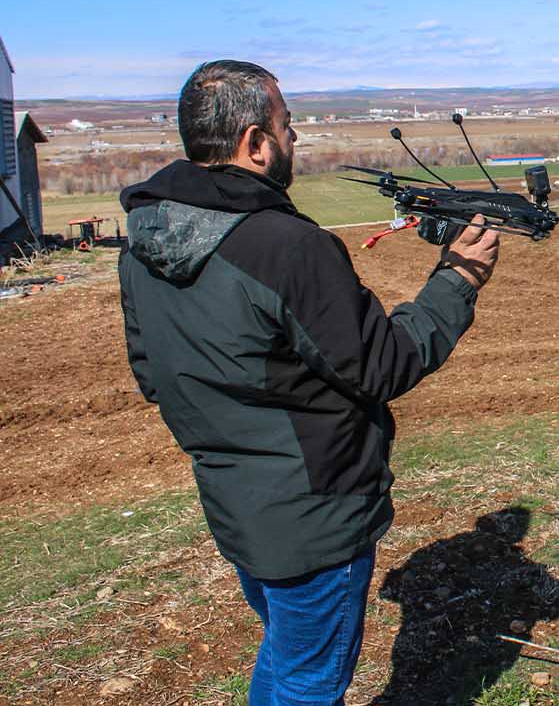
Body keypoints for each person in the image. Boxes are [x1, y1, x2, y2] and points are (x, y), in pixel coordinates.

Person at [118, 60, 500, 706]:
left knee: (290, 657)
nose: (294, 140)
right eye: (287, 127)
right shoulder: (286, 245)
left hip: (236, 501)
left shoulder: (146, 240)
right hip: (313, 511)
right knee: (309, 682)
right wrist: (458, 278)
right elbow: (386, 364)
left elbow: (154, 376)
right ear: (254, 143)